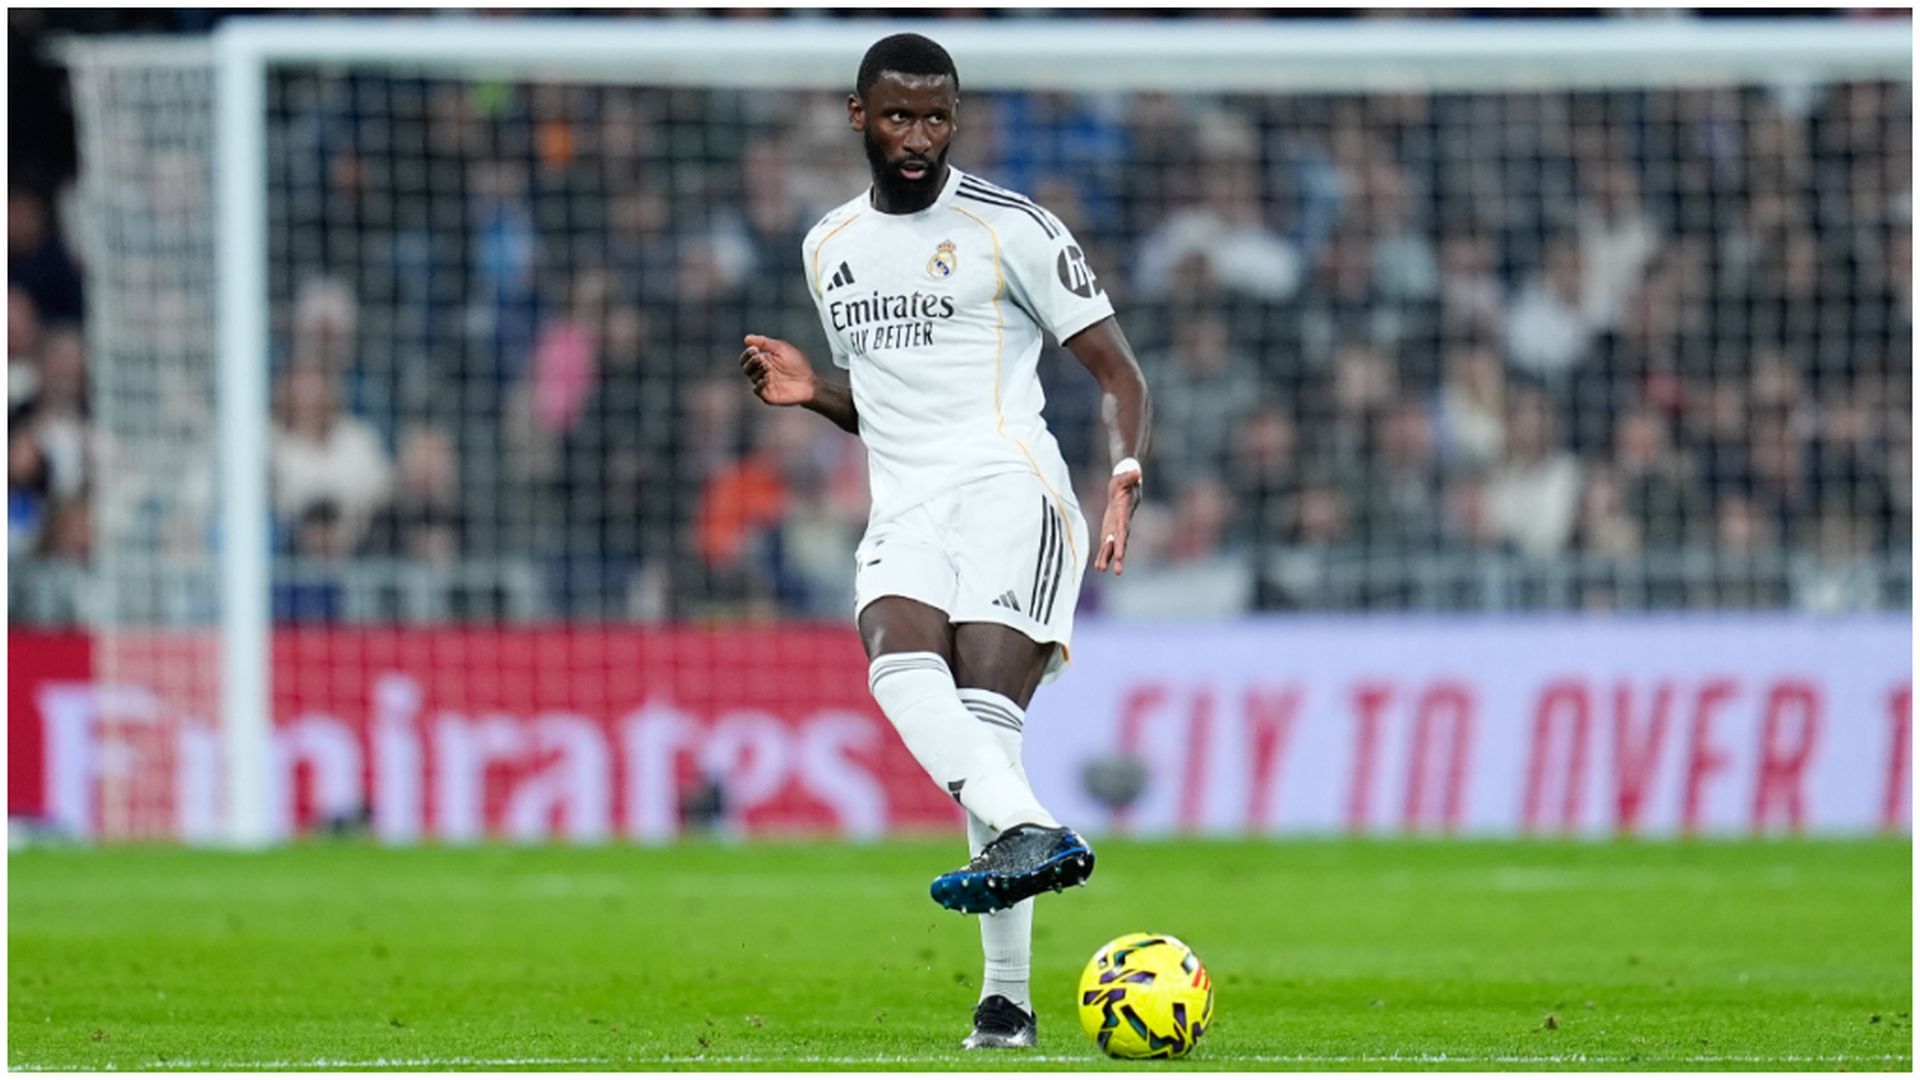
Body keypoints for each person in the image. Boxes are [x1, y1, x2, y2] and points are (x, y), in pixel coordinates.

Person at [737, 34, 1151, 1051]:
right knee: (894, 661)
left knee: (983, 726)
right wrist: (815, 395)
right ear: (856, 117)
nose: (918, 138)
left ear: (954, 120)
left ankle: (1004, 1001)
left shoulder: (1014, 228)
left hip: (1014, 490)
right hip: (907, 500)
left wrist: (1125, 476)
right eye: (897, 117)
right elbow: (894, 407)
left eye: (937, 118)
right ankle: (1032, 829)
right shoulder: (829, 244)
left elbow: (1123, 376)